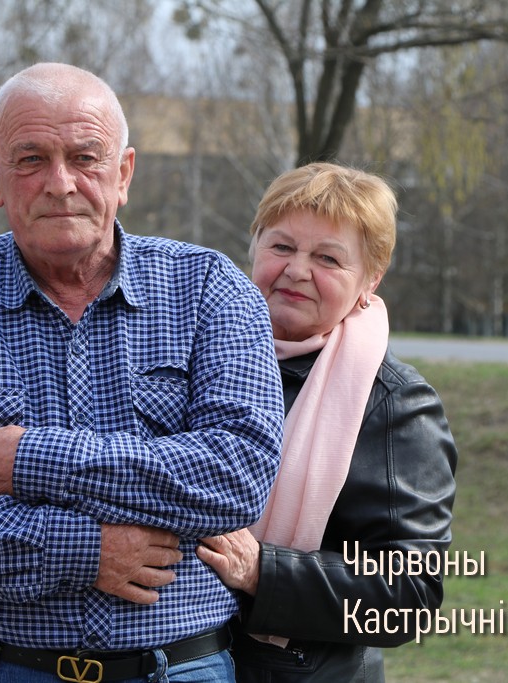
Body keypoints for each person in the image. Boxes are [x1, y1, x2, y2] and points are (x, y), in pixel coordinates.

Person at [0, 62, 285, 683]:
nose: (60, 183)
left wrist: (31, 459)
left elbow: (238, 475)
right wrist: (84, 551)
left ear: (123, 174)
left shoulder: (210, 289)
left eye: (85, 158)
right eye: (30, 159)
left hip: (178, 668)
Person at [196, 162, 457, 682]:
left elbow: (408, 593)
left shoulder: (395, 403)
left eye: (328, 258)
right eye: (282, 246)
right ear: (254, 248)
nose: (297, 270)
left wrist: (261, 570)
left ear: (370, 280)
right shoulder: (193, 360)